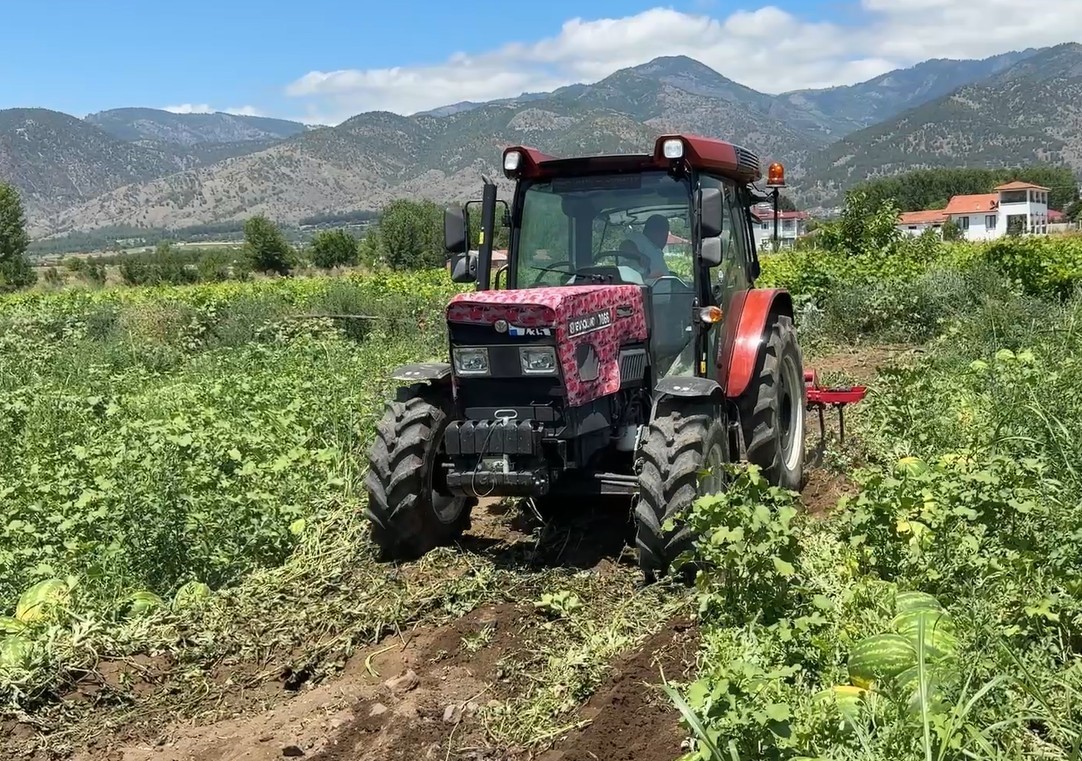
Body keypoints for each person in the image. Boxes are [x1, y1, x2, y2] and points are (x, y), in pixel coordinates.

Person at [625, 214, 671, 280]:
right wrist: (639, 255)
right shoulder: (640, 239)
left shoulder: (655, 249)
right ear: (652, 231)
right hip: (649, 290)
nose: (665, 239)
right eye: (663, 234)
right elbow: (626, 245)